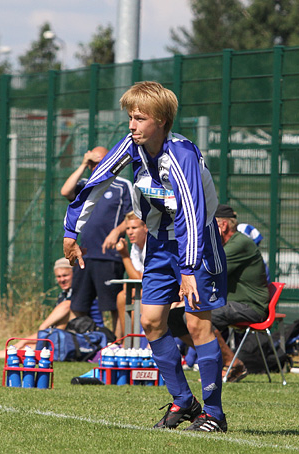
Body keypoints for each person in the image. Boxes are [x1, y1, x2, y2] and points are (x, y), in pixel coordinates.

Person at [63, 81, 228, 432]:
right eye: (130, 117)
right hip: (157, 243)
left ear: (162, 120)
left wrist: (188, 268)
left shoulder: (180, 154)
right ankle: (184, 401)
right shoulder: (133, 147)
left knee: (199, 325)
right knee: (152, 321)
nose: (131, 125)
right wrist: (70, 230)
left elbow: (192, 215)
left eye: (139, 118)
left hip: (196, 243)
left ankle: (214, 414)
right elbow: (98, 179)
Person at [168, 204, 270, 382]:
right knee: (174, 318)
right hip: (230, 303)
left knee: (196, 315)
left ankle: (232, 364)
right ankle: (222, 361)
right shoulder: (226, 244)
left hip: (250, 307)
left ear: (222, 226)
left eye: (207, 225)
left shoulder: (240, 243)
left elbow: (207, 271)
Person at [60, 146, 133, 332]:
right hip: (84, 255)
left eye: (97, 162)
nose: (94, 167)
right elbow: (65, 191)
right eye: (91, 163)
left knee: (112, 306)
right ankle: (83, 344)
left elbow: (133, 216)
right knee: (78, 305)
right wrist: (84, 163)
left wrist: (117, 231)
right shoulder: (85, 184)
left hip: (108, 256)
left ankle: (116, 347)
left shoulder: (122, 186)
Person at [0, 257, 84, 359]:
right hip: (64, 339)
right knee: (28, 347)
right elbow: (56, 330)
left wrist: (40, 330)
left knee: (29, 348)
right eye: (58, 276)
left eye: (65, 275)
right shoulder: (64, 295)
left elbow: (65, 316)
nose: (62, 280)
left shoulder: (79, 293)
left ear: (74, 274)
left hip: (82, 340)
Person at [110, 212, 147, 338]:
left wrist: (124, 256)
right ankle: (125, 342)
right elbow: (135, 277)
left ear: (145, 228)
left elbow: (139, 279)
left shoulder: (151, 245)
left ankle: (131, 341)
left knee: (130, 294)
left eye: (134, 228)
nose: (130, 232)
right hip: (148, 287)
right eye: (127, 228)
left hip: (164, 290)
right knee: (122, 295)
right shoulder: (136, 247)